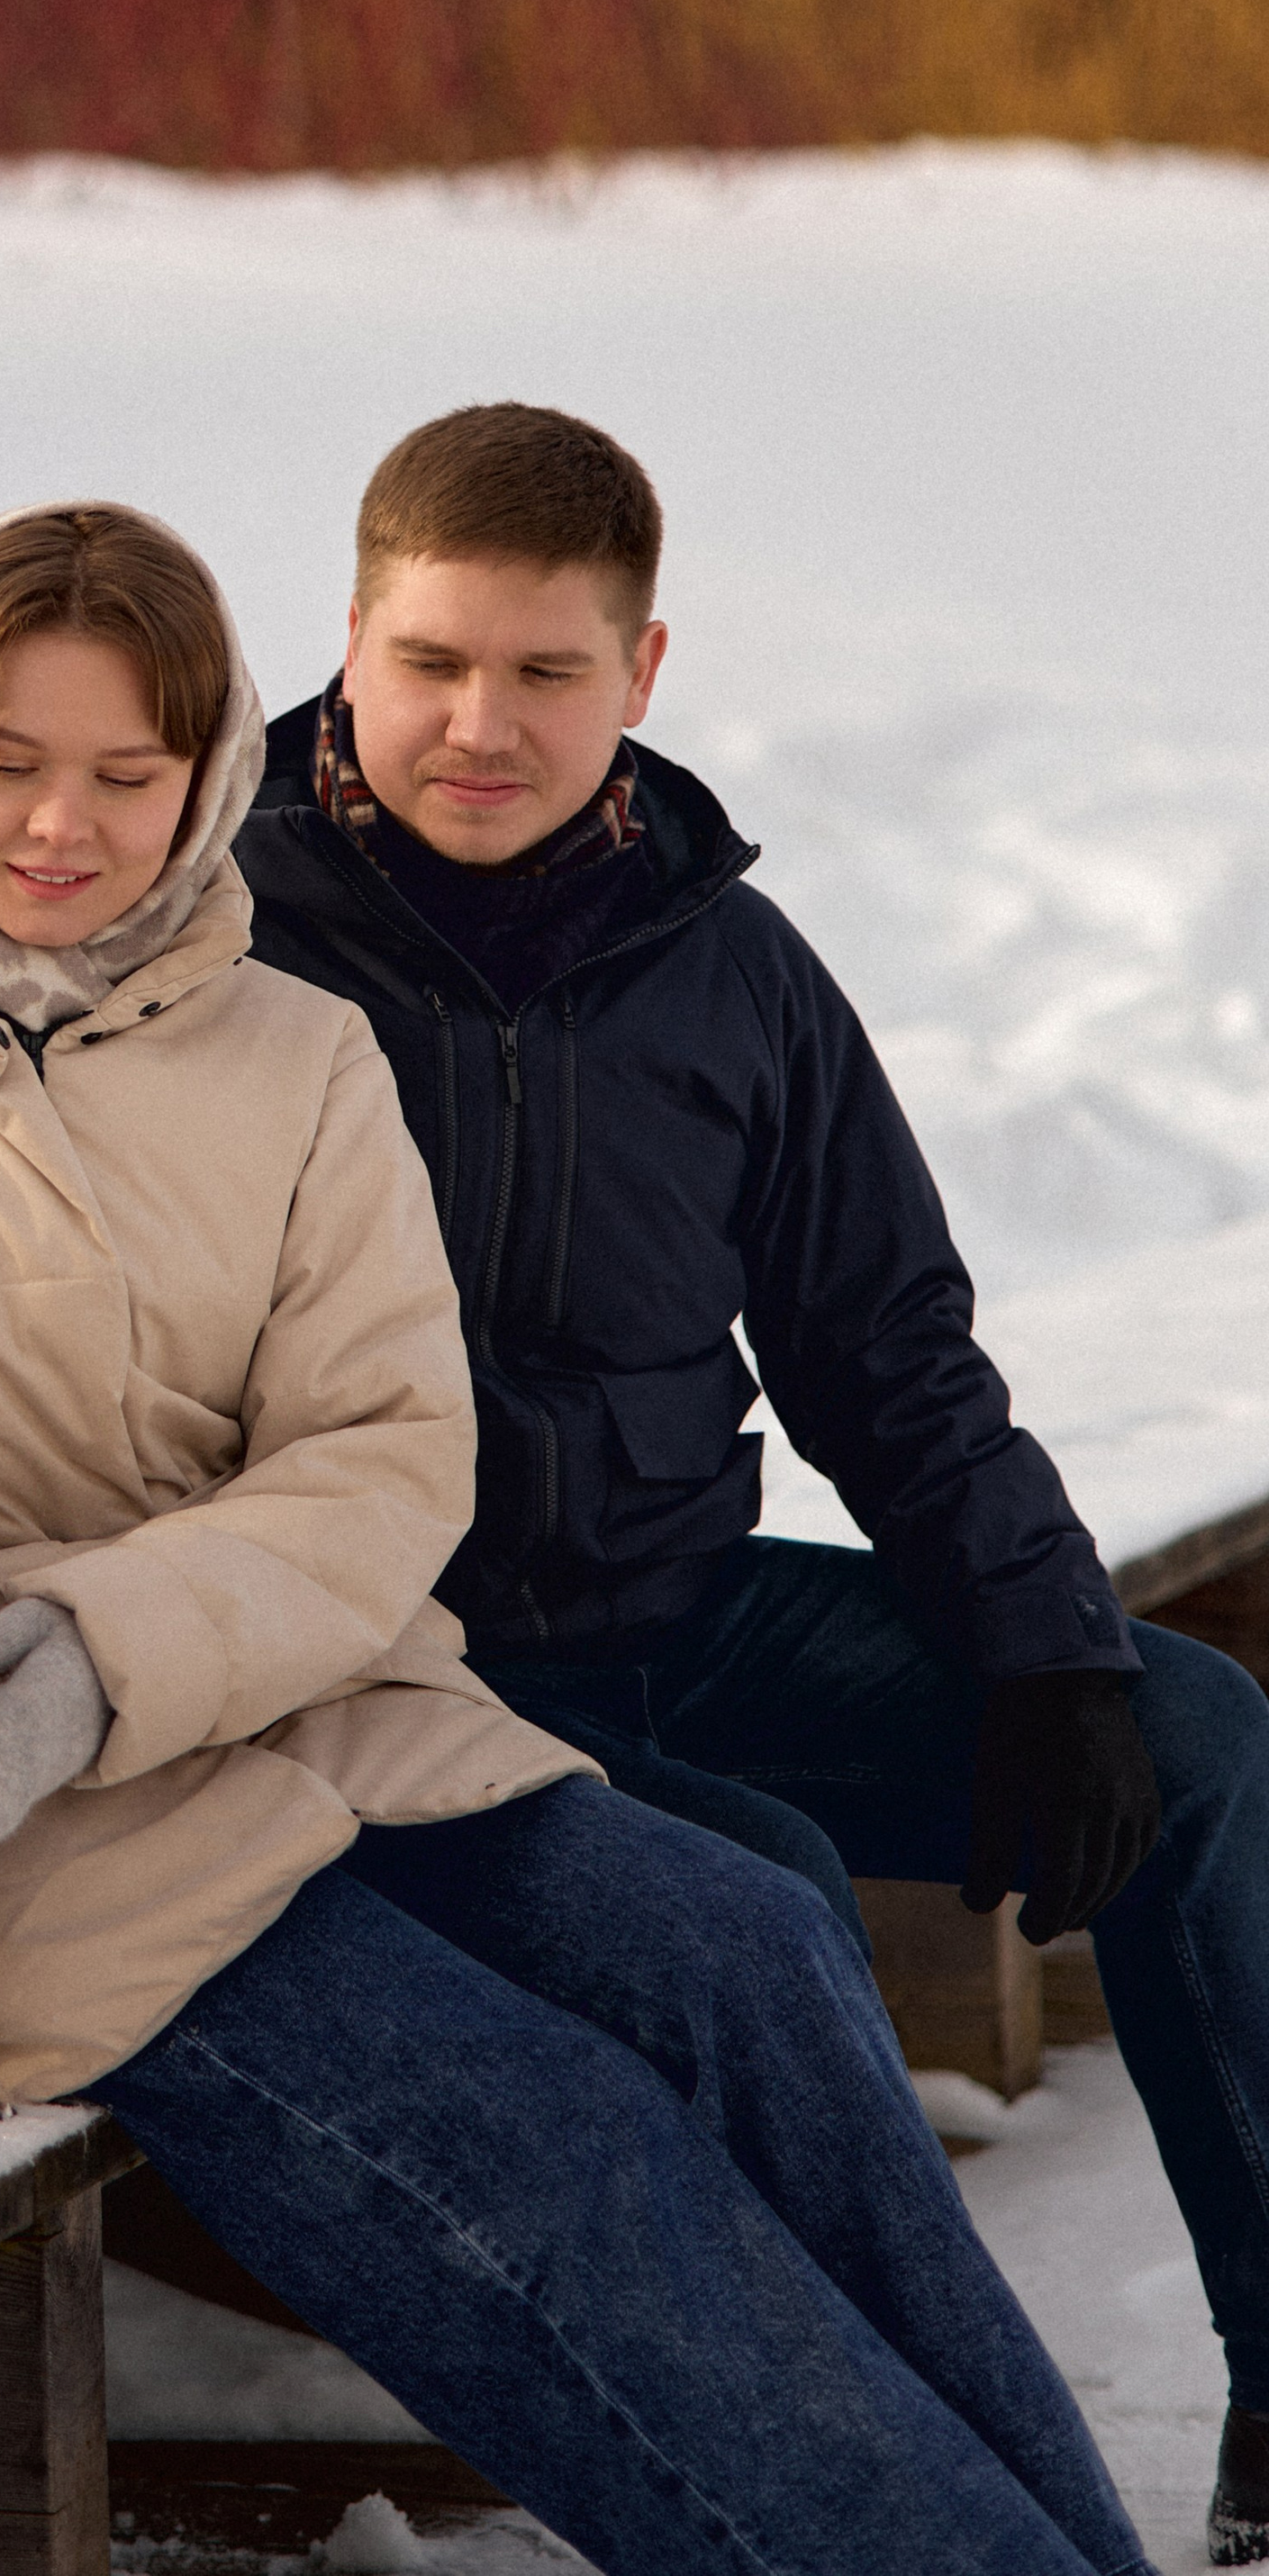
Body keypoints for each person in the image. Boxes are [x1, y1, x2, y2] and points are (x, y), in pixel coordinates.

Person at [0, 500, 1154, 2576]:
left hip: (308, 1712)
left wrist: (115, 1644)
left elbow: (381, 1455)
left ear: (211, 777)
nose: (55, 828)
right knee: (548, 2145)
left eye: (123, 771)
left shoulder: (296, 1054)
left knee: (755, 1953)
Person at [236, 399, 1269, 2569]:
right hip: (400, 1685)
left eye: (544, 673)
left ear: (643, 671)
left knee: (1196, 1742)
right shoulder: (221, 944)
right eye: (428, 665)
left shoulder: (726, 969)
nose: (477, 727)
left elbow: (884, 1355)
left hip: (681, 1622)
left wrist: (1049, 1656)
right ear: (345, 641)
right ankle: (877, 2487)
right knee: (769, 1892)